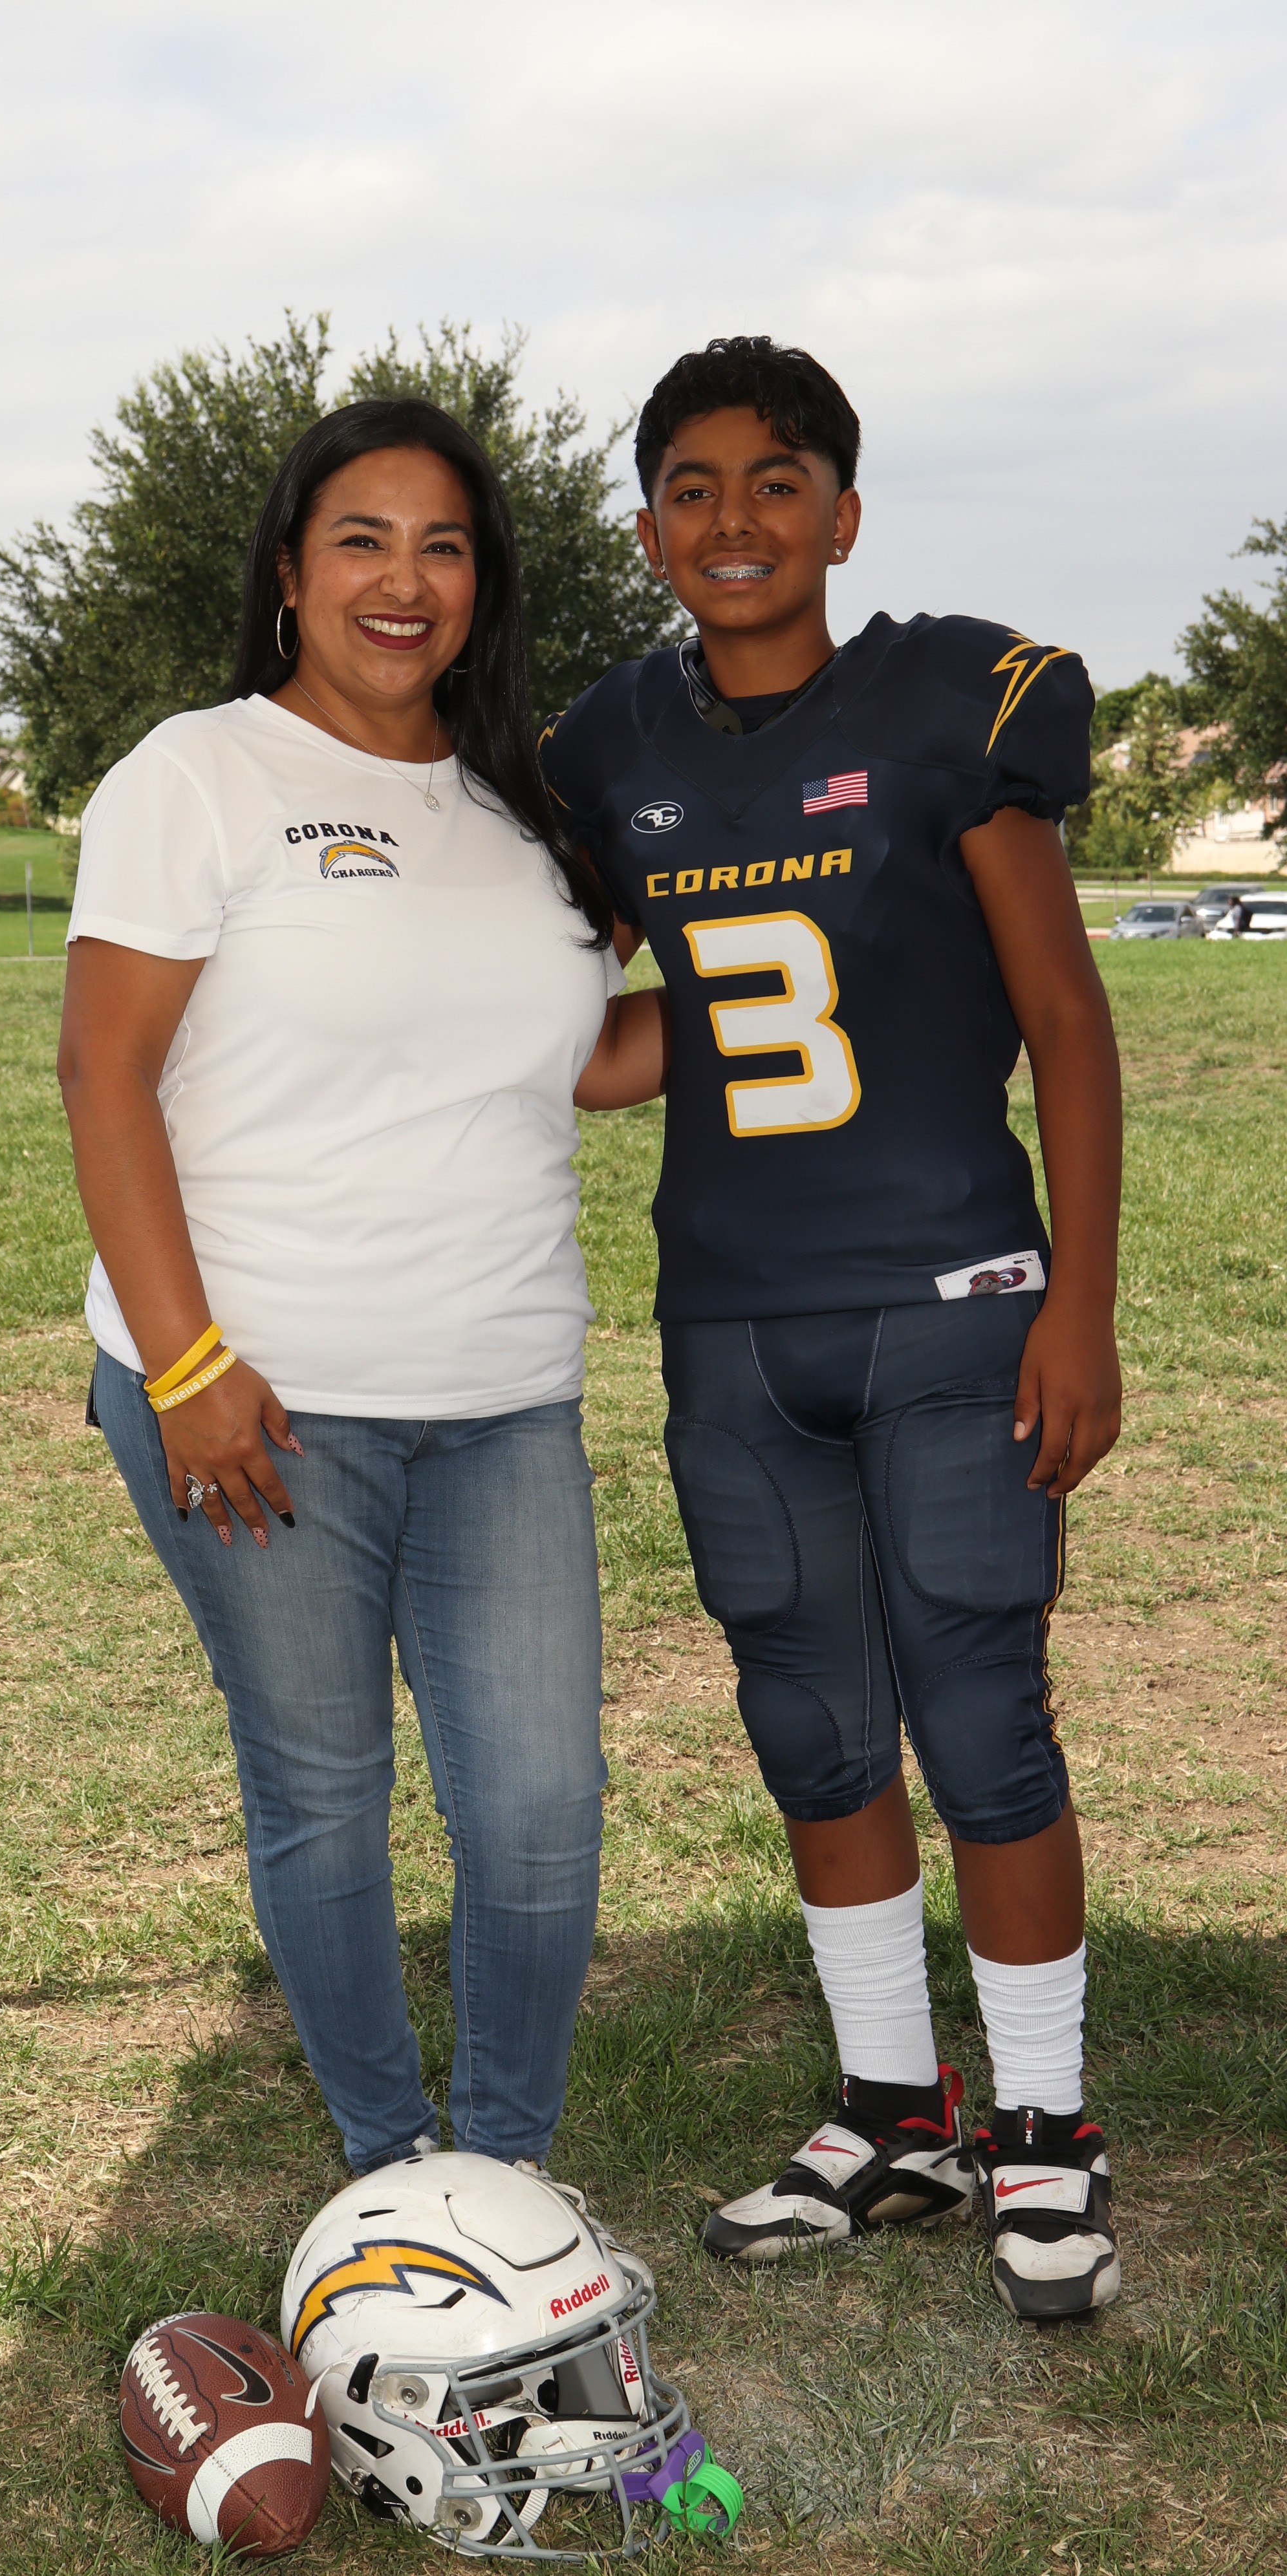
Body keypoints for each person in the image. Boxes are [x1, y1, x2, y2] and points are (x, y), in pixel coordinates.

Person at [546, 338, 1125, 2323]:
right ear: (649, 530)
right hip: (734, 1314)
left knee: (978, 1713)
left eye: (777, 481)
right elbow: (631, 1035)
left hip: (954, 1300)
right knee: (805, 1716)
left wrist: (1081, 1303)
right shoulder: (614, 747)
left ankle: (1044, 2125)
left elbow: (1068, 1022)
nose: (736, 519)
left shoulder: (949, 702)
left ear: (844, 516)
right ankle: (896, 2108)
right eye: (692, 488)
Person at [57, 396, 645, 2182]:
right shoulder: (200, 774)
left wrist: (814, 991)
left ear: (484, 583)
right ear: (292, 574)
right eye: (364, 540)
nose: (406, 580)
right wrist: (186, 1369)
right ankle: (392, 2171)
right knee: (325, 1794)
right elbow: (104, 1073)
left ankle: (502, 2182)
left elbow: (564, 1061)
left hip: (502, 1395)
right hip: (260, 1396)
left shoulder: (528, 806)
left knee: (539, 1811)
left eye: (444, 544)